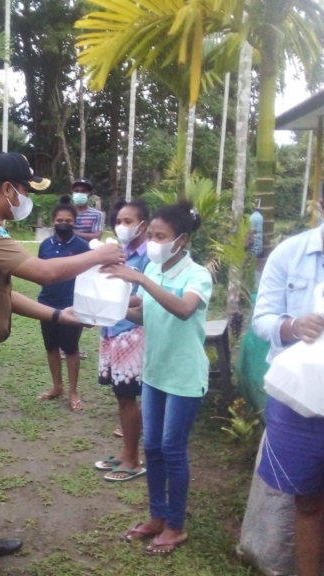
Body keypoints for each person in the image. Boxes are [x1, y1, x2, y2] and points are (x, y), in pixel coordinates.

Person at [0, 153, 125, 576]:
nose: (26, 199)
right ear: (8, 190)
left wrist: (57, 316)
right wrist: (99, 254)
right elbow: (43, 273)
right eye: (25, 189)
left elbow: (4, 294)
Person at [253, 159, 324, 576]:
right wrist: (293, 325)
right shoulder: (290, 254)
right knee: (308, 499)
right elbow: (262, 320)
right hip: (300, 401)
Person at [105, 200, 212, 556]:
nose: (152, 241)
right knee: (151, 447)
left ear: (180, 240)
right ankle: (157, 516)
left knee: (172, 449)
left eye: (159, 236)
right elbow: (144, 314)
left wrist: (139, 278)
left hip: (184, 376)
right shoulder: (154, 268)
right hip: (155, 373)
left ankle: (176, 525)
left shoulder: (197, 276)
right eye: (150, 234)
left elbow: (183, 310)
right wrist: (106, 307)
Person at [94, 199, 150, 482]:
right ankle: (127, 451)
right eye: (118, 221)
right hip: (113, 328)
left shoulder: (149, 256)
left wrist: (112, 301)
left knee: (128, 395)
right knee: (120, 394)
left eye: (129, 221)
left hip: (132, 330)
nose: (122, 226)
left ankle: (133, 458)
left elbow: (146, 294)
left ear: (144, 224)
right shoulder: (119, 253)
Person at [34, 196, 90, 411]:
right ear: (53, 221)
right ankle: (57, 386)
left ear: (74, 222)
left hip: (72, 305)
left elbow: (90, 277)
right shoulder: (45, 245)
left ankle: (73, 391)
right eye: (59, 220)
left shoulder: (82, 246)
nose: (63, 223)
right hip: (46, 304)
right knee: (51, 347)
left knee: (71, 348)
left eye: (67, 220)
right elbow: (40, 271)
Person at [71, 178, 105, 242]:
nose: (79, 193)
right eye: (76, 191)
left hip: (89, 250)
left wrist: (73, 233)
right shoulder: (66, 212)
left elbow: (96, 237)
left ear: (89, 193)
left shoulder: (97, 214)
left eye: (83, 191)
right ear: (72, 192)